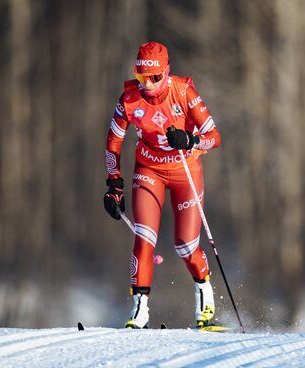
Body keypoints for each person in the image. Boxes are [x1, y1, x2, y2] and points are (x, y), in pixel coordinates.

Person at [103, 41, 222, 329]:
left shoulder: (183, 92)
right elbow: (113, 143)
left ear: (166, 73)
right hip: (148, 169)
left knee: (185, 244)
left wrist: (190, 140)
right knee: (144, 236)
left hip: (184, 170)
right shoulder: (129, 100)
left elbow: (214, 137)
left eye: (155, 78)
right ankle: (139, 310)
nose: (149, 85)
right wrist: (114, 183)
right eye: (143, 78)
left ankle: (204, 295)